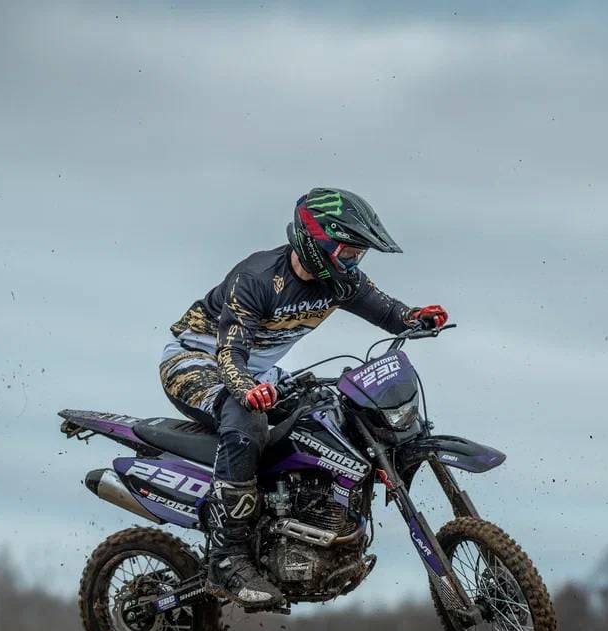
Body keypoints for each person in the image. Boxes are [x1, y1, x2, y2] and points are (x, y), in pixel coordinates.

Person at [160, 188, 448, 609]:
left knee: (328, 413)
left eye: (359, 255)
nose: (354, 262)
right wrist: (246, 388)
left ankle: (292, 519)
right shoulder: (256, 278)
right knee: (246, 420)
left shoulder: (341, 282)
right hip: (197, 359)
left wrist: (414, 318)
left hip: (259, 373)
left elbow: (386, 310)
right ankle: (227, 557)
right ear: (317, 242)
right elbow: (230, 352)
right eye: (348, 252)